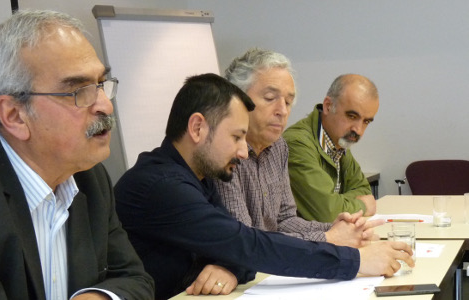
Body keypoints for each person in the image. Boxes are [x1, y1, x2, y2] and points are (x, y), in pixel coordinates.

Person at [0, 10, 153, 300]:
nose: (105, 104)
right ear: (15, 115)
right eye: (79, 91)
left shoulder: (89, 176)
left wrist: (97, 297)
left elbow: (134, 279)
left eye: (101, 83)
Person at [114, 73, 413, 300]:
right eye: (236, 137)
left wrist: (229, 265)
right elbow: (247, 244)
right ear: (197, 128)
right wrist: (356, 261)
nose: (243, 152)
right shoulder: (162, 186)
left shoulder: (201, 175)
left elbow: (237, 246)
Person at [215, 48, 381, 248]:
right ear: (237, 99)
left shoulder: (278, 148)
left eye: (288, 101)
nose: (283, 111)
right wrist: (328, 237)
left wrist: (333, 228)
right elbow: (245, 241)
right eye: (270, 98)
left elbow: (285, 221)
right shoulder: (222, 152)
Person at [283, 74, 379, 223]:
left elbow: (364, 189)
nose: (358, 130)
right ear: (328, 106)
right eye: (352, 116)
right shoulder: (297, 143)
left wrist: (337, 202)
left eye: (366, 121)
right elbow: (327, 213)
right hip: (305, 242)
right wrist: (362, 205)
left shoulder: (338, 142)